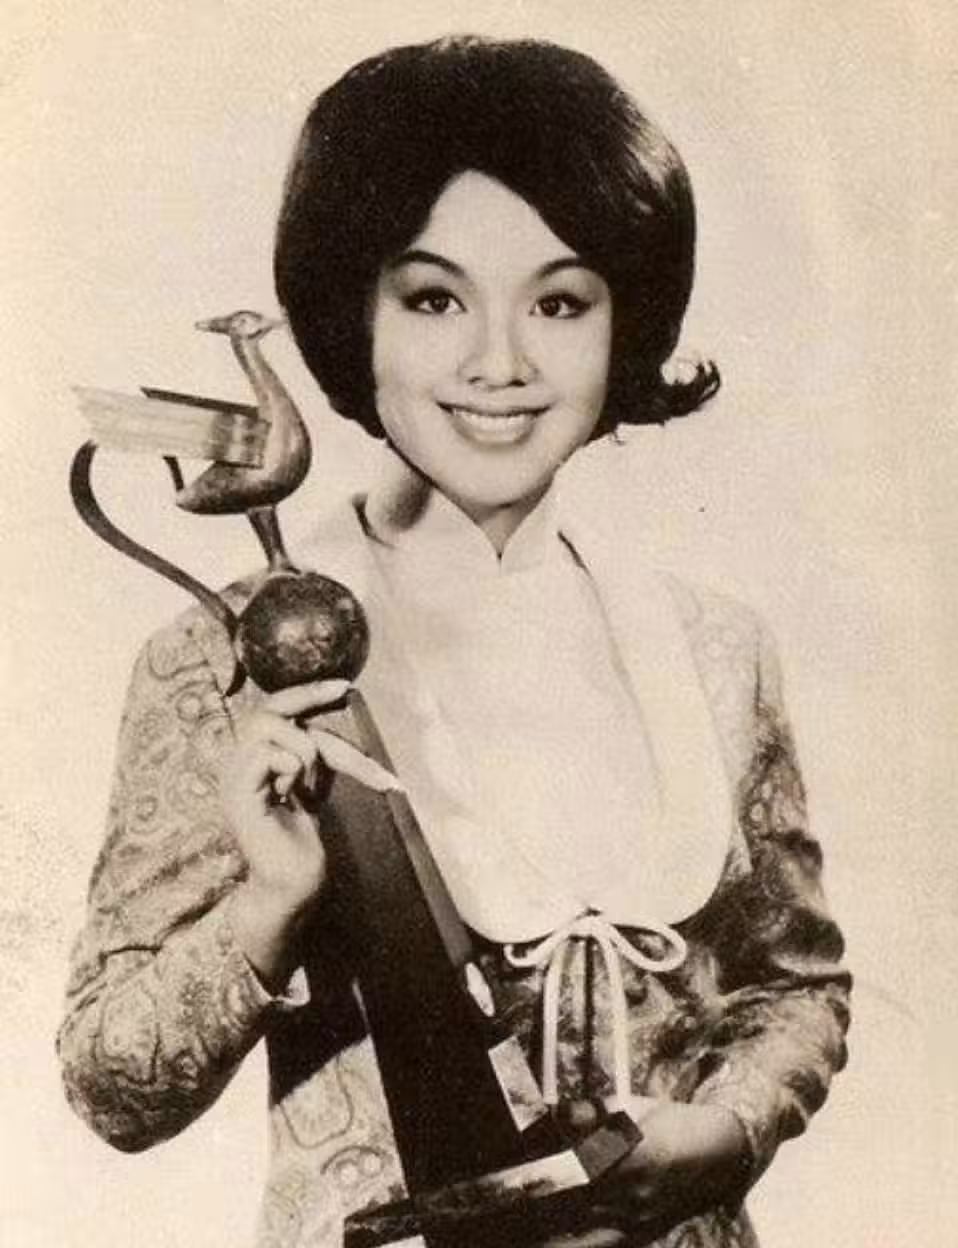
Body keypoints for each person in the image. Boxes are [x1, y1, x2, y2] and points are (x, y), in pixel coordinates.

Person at [58, 36, 851, 1248]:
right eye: (433, 299)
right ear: (353, 315)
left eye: (559, 302)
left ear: (625, 321)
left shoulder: (716, 651)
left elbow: (793, 989)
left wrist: (729, 1130)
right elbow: (110, 1088)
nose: (499, 364)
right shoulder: (227, 655)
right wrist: (269, 905)